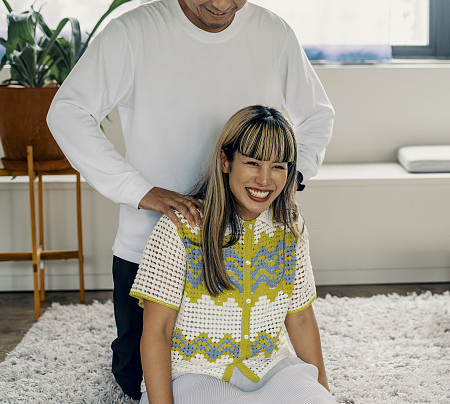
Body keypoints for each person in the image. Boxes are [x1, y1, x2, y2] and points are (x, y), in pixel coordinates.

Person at [46, 0, 334, 400]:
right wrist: (141, 191)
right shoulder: (134, 33)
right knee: (137, 380)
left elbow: (317, 115)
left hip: (243, 244)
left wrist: (289, 181)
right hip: (152, 245)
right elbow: (67, 112)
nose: (223, 4)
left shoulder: (273, 33)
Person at [130, 105, 335, 404]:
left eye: (278, 166)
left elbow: (301, 316)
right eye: (253, 163)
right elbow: (157, 331)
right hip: (193, 376)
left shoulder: (289, 227)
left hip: (270, 369)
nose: (265, 180)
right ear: (225, 161)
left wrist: (323, 391)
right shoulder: (181, 226)